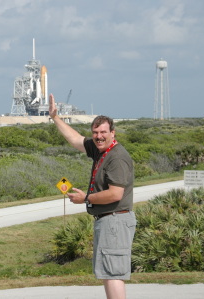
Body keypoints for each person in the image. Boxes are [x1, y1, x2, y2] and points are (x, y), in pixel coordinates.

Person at [49, 94, 137, 299]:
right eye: (95, 132)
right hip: (107, 221)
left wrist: (86, 198)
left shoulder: (117, 158)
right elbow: (75, 139)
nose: (98, 136)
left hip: (115, 220)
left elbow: (116, 194)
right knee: (108, 272)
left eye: (103, 132)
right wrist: (55, 117)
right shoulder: (100, 150)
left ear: (112, 133)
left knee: (114, 273)